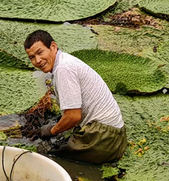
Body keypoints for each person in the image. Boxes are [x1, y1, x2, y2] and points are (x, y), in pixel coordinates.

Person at [24, 30, 127, 164]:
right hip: (116, 134)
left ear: (53, 47)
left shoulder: (63, 69)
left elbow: (73, 116)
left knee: (47, 155)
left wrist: (52, 130)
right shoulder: (64, 61)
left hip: (105, 139)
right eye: (32, 57)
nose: (37, 60)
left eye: (40, 52)